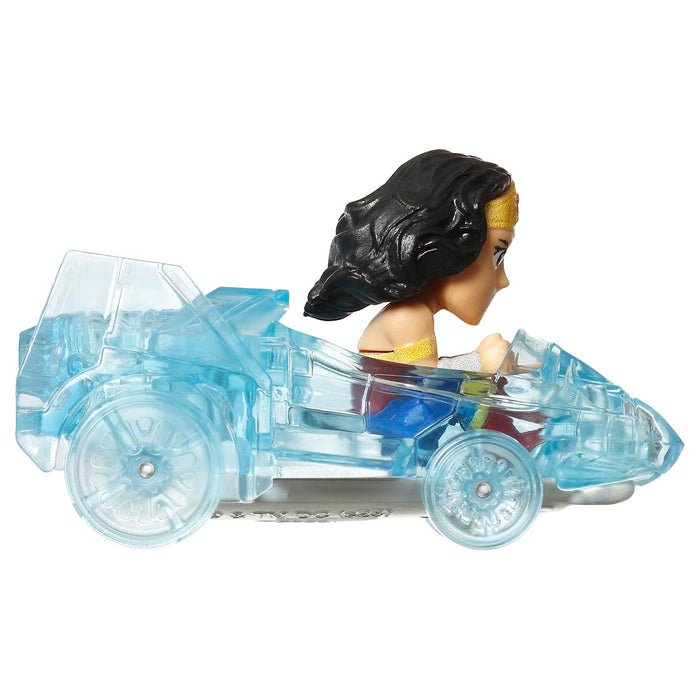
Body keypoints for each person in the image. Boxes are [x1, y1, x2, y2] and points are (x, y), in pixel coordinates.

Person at [305, 149, 518, 373]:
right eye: (497, 256)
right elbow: (425, 379)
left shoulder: (412, 314)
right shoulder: (408, 317)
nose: (503, 280)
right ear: (451, 253)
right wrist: (483, 362)